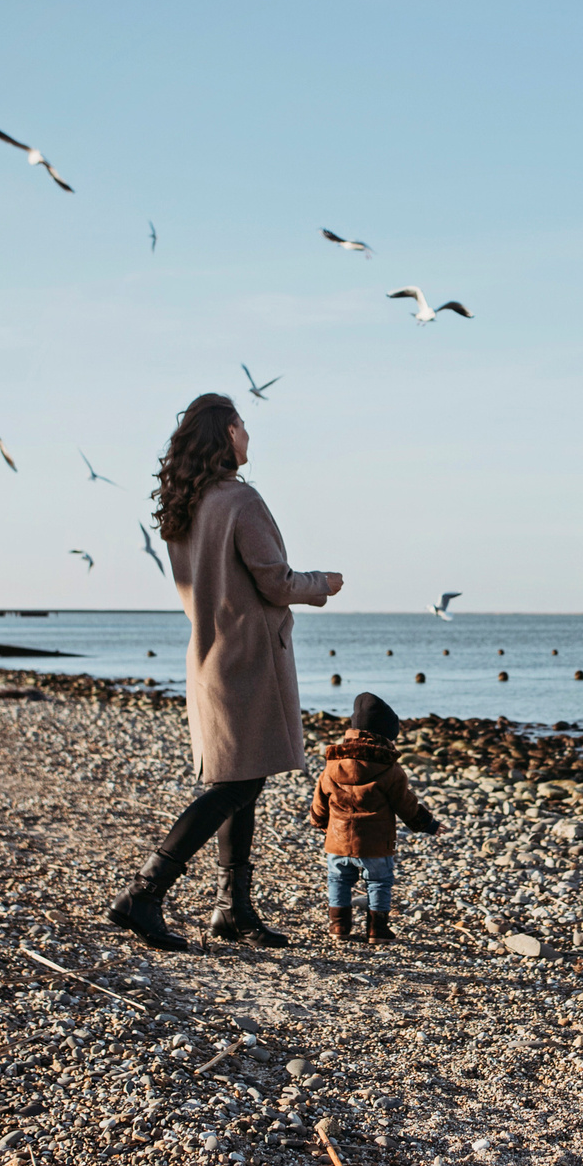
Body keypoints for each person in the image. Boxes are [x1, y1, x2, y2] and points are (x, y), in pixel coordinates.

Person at [108, 393, 341, 951]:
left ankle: (232, 909)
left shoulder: (183, 508)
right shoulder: (240, 500)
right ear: (226, 434)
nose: (249, 438)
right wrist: (323, 584)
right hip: (246, 661)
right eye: (243, 427)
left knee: (241, 778)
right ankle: (145, 892)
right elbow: (276, 582)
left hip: (209, 655)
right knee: (235, 784)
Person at [308, 692, 441, 943]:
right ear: (386, 735)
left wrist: (319, 822)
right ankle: (377, 930)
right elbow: (405, 802)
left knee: (338, 879)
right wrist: (427, 824)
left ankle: (339, 927)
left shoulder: (333, 764)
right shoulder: (389, 768)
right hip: (375, 843)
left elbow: (320, 798)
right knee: (379, 882)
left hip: (338, 840)